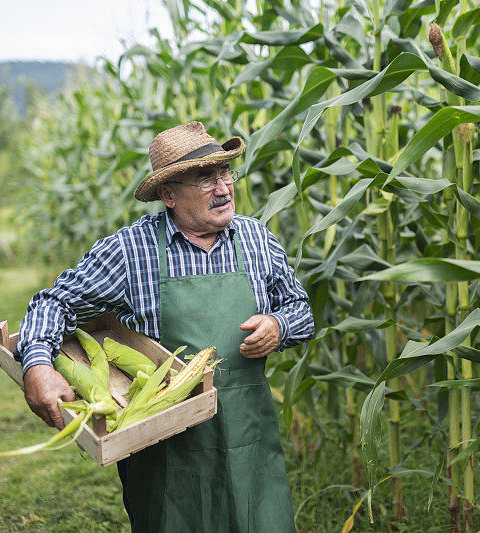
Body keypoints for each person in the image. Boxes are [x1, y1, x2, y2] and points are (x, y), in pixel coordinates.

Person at [16, 121, 315, 532]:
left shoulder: (256, 239)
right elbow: (54, 302)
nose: (224, 188)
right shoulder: (129, 251)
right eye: (205, 178)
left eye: (226, 173)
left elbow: (300, 309)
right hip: (166, 451)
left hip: (251, 440)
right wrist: (37, 365)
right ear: (168, 194)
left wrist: (280, 325)